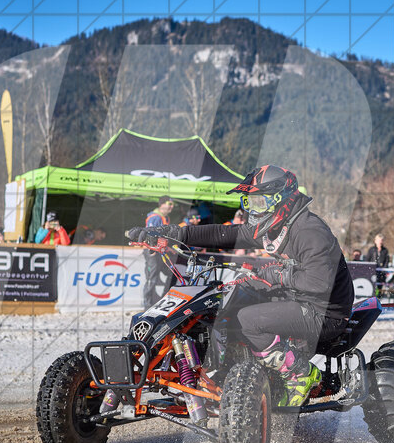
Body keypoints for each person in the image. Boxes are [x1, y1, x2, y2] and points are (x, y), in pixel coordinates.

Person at [127, 165, 354, 407]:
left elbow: (319, 283)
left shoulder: (309, 231)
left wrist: (278, 275)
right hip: (298, 297)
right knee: (228, 299)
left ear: (281, 201)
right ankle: (228, 368)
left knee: (250, 319)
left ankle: (300, 373)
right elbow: (224, 234)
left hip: (325, 312)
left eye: (259, 202)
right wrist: (173, 233)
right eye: (249, 202)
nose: (252, 210)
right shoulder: (276, 224)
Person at [142, 195, 176, 306]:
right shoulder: (155, 217)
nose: (172, 206)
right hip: (151, 251)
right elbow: (150, 235)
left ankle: (162, 300)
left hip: (160, 251)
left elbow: (161, 237)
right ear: (162, 204)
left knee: (171, 273)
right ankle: (147, 305)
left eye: (173, 204)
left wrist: (167, 247)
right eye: (169, 204)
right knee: (152, 278)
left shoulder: (165, 218)